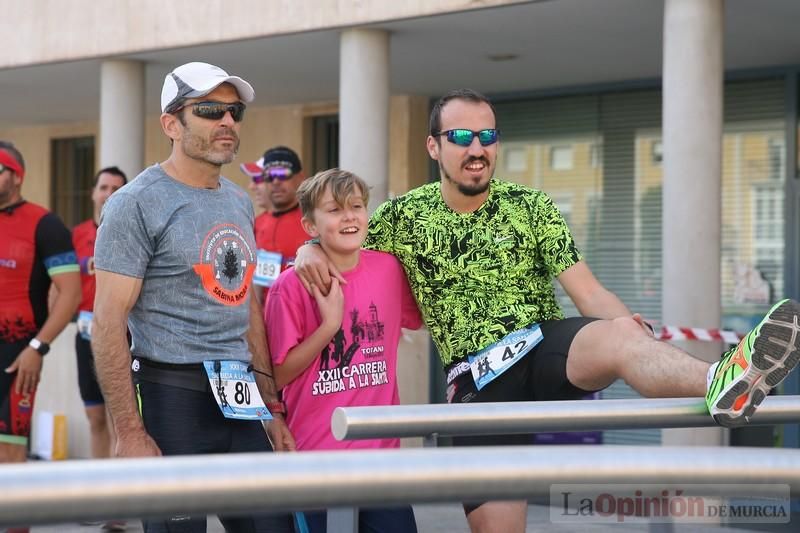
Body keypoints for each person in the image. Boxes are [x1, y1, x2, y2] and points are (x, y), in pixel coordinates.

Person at [293, 89, 800, 533]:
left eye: (488, 137)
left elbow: (589, 292)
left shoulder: (531, 205)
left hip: (543, 348)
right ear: (434, 146)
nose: (477, 148)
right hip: (476, 384)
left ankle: (728, 378)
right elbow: (345, 242)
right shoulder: (402, 216)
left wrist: (628, 328)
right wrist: (308, 250)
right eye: (462, 136)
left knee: (619, 334)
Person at [91, 61, 294, 533]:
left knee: (275, 527)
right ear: (171, 124)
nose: (227, 122)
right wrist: (129, 432)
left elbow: (245, 308)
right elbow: (107, 323)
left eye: (234, 111)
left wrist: (271, 408)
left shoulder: (239, 200)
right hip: (170, 397)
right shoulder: (135, 202)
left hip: (239, 400)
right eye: (208, 110)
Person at [266, 168, 422, 533]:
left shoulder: (389, 269)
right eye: (335, 210)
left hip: (382, 462)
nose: (350, 216)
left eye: (356, 206)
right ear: (311, 226)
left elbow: (425, 319)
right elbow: (275, 376)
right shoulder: (290, 286)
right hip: (317, 461)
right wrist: (329, 327)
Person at [0, 141, 81, 533]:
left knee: (10, 454)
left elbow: (71, 294)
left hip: (17, 356)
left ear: (16, 175)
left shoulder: (44, 224)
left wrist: (38, 346)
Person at [72, 166, 128, 532]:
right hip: (85, 333)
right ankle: (99, 495)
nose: (109, 193)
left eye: (116, 188)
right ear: (92, 193)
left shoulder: (128, 229)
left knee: (120, 417)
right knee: (95, 419)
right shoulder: (76, 235)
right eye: (103, 187)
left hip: (123, 333)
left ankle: (119, 505)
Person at [241, 146, 309, 296]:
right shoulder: (255, 223)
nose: (276, 181)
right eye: (269, 176)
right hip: (264, 315)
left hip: (304, 314)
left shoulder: (314, 222)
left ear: (300, 177)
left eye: (283, 174)